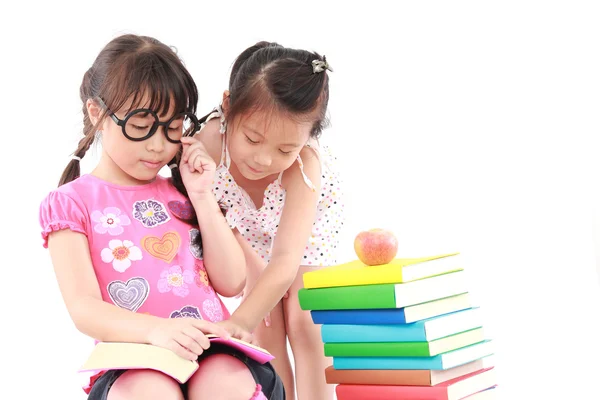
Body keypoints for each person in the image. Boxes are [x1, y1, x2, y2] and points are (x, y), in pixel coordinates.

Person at [38, 34, 284, 400]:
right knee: (148, 391)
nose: (158, 145)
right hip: (132, 360)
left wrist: (202, 196)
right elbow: (84, 309)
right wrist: (157, 331)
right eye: (140, 127)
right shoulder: (70, 203)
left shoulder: (183, 191)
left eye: (171, 128)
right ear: (96, 113)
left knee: (224, 382)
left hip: (212, 351)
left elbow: (232, 282)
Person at [194, 41, 345, 400]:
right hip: (242, 231)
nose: (263, 160)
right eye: (252, 138)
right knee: (264, 326)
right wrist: (251, 269)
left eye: (284, 149)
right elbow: (217, 219)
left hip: (305, 231)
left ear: (308, 138)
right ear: (228, 105)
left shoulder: (303, 167)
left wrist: (236, 322)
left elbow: (286, 261)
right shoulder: (208, 146)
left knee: (306, 317)